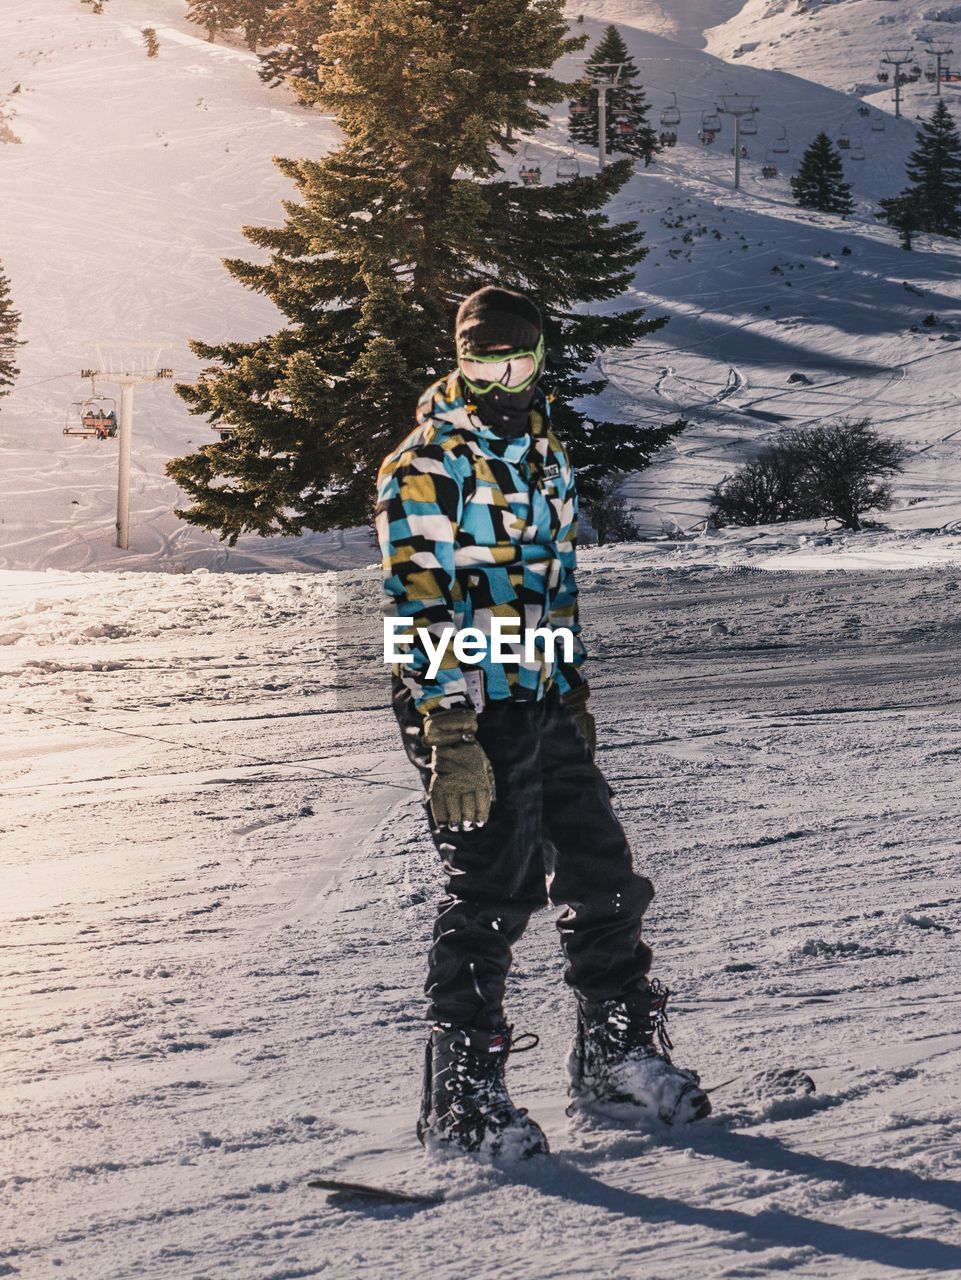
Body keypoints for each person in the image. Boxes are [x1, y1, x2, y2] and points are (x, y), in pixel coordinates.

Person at [375, 287, 709, 1160]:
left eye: (516, 357)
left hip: (540, 696)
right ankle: (463, 1096)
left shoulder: (545, 456)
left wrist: (572, 694)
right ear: (460, 357)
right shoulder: (426, 462)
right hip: (466, 704)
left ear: (539, 358)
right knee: (493, 892)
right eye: (483, 358)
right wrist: (447, 730)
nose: (501, 373)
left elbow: (551, 586)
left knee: (601, 873)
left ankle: (615, 1056)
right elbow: (416, 602)